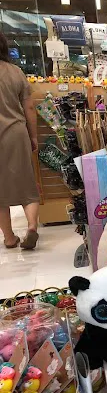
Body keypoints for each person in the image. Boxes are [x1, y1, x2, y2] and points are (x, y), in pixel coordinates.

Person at [0, 32, 40, 250]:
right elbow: (29, 107)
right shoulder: (15, 72)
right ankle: (32, 226)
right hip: (15, 133)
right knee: (26, 183)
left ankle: (9, 237)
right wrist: (33, 136)